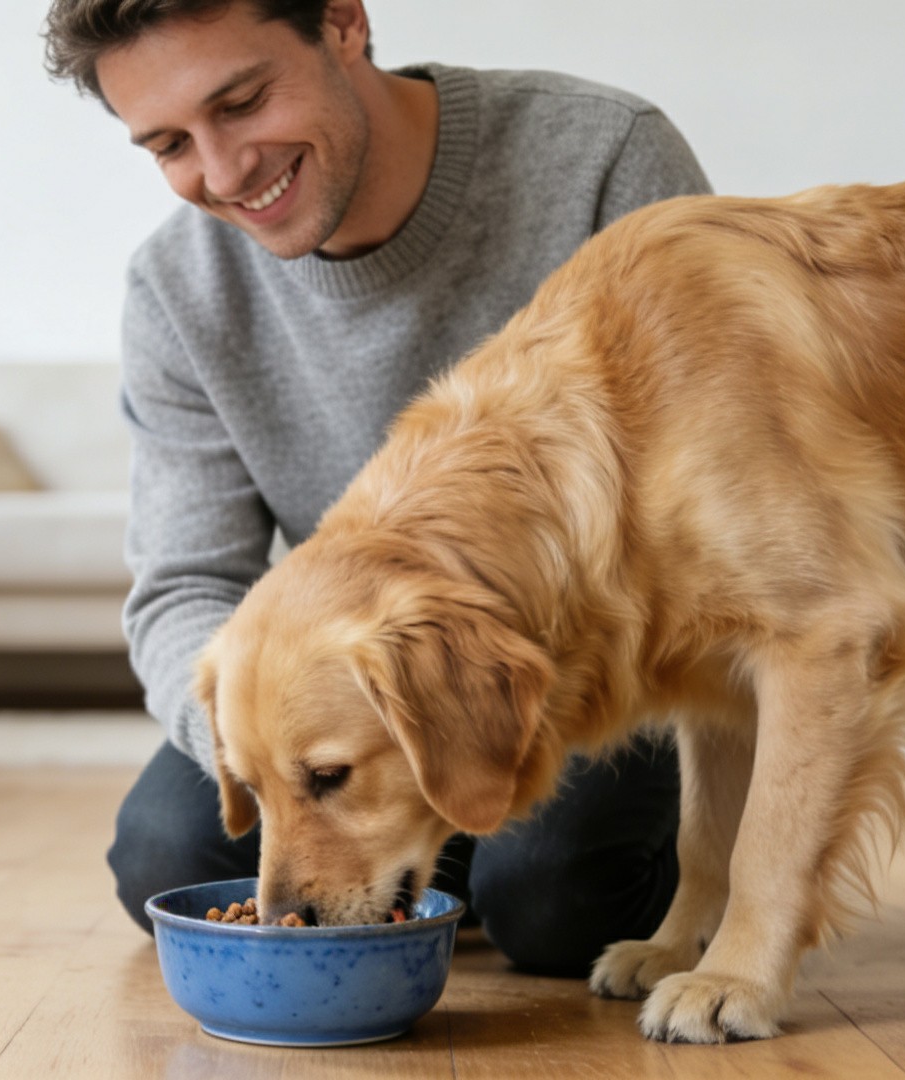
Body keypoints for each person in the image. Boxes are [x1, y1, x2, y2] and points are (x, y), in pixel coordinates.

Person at [43, 0, 709, 976]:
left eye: (243, 100)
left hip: (594, 668)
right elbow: (185, 585)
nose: (225, 173)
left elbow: (711, 521)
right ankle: (425, 850)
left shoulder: (607, 158)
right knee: (165, 855)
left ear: (343, 22)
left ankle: (500, 869)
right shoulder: (175, 291)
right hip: (348, 701)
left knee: (558, 898)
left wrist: (466, 711)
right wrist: (276, 735)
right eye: (170, 143)